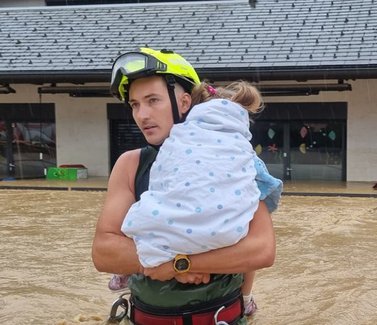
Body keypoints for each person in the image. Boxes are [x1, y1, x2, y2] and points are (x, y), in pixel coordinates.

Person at [92, 47, 276, 325]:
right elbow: (104, 252)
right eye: (135, 104)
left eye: (153, 100)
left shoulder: (234, 159)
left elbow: (261, 249)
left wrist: (181, 263)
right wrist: (172, 264)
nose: (142, 115)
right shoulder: (130, 164)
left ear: (185, 101)